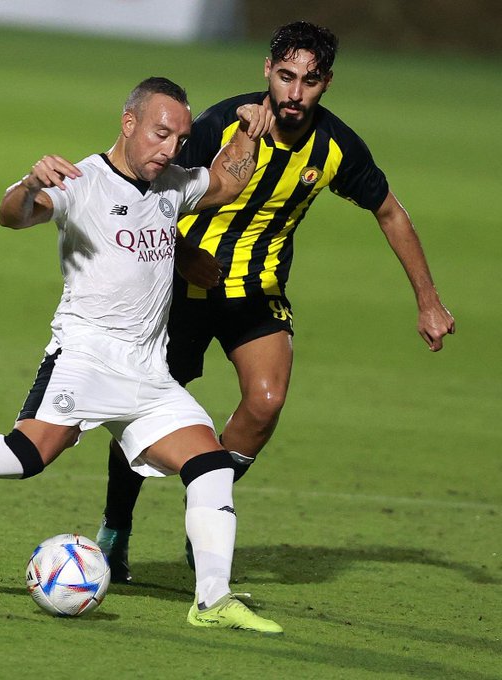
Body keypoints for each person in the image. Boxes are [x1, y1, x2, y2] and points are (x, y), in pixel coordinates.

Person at [0, 77, 285, 634]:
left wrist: (249, 130)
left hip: (147, 373)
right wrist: (28, 184)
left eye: (180, 139)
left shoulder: (173, 185)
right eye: (161, 134)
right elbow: (13, 215)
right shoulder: (83, 181)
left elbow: (228, 182)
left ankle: (212, 601)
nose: (170, 149)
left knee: (210, 465)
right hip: (85, 358)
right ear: (129, 123)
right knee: (24, 455)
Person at [96, 22, 456, 583]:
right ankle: (116, 528)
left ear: (326, 83)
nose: (295, 92)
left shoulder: (336, 147)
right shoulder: (223, 123)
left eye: (309, 81)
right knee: (144, 410)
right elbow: (149, 192)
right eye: (286, 76)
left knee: (266, 402)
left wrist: (428, 301)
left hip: (257, 292)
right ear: (267, 70)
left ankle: (207, 507)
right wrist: (184, 253)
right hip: (181, 290)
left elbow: (390, 211)